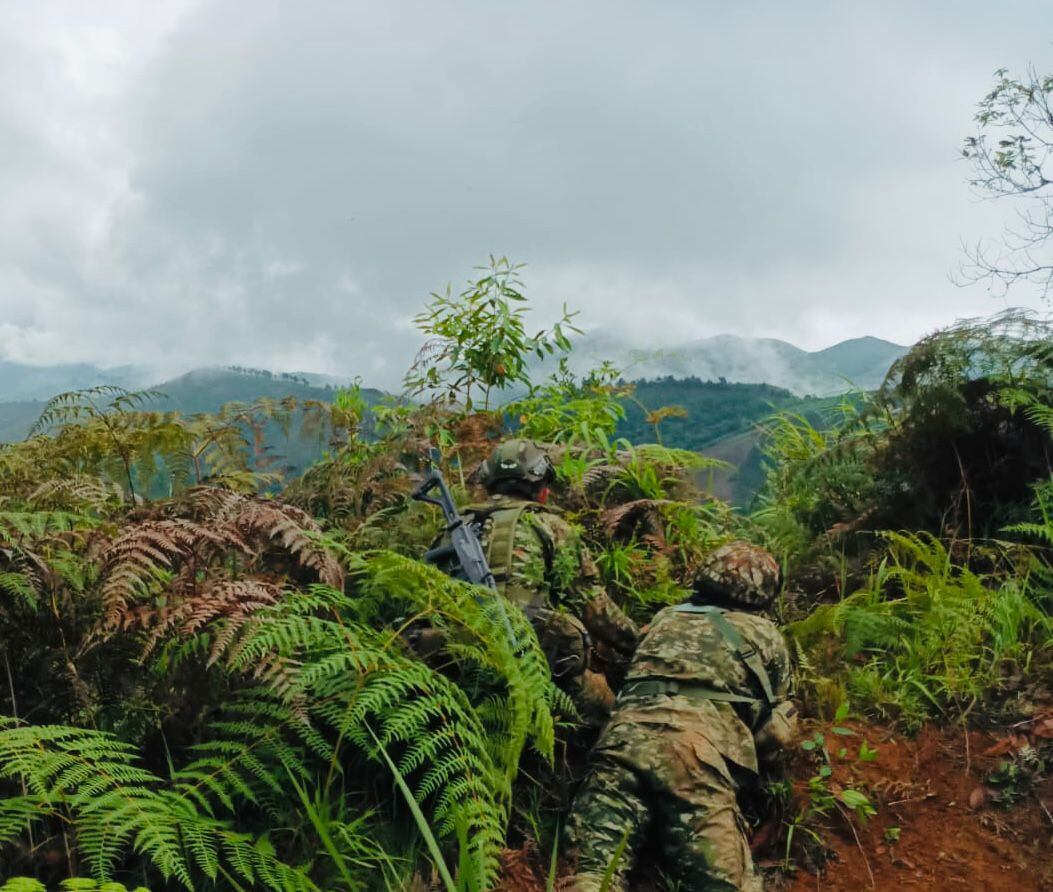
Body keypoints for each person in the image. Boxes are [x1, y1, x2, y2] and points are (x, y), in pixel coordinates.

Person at [566, 541, 797, 892]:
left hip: (620, 746)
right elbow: (777, 731)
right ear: (764, 594)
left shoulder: (663, 619)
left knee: (590, 877)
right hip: (696, 762)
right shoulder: (765, 635)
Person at [432, 439, 639, 722]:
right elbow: (595, 610)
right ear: (542, 488)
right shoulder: (550, 527)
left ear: (488, 482)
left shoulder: (456, 528)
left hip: (456, 665)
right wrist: (639, 643)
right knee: (617, 717)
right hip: (531, 667)